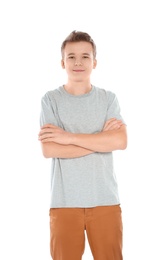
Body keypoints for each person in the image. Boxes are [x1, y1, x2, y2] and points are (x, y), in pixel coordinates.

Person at [38, 30, 127, 260]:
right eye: (71, 57)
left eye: (85, 56)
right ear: (62, 62)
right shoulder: (50, 100)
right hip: (64, 203)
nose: (78, 62)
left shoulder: (109, 99)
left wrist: (68, 137)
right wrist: (100, 140)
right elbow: (49, 149)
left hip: (105, 200)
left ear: (94, 62)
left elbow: (120, 141)